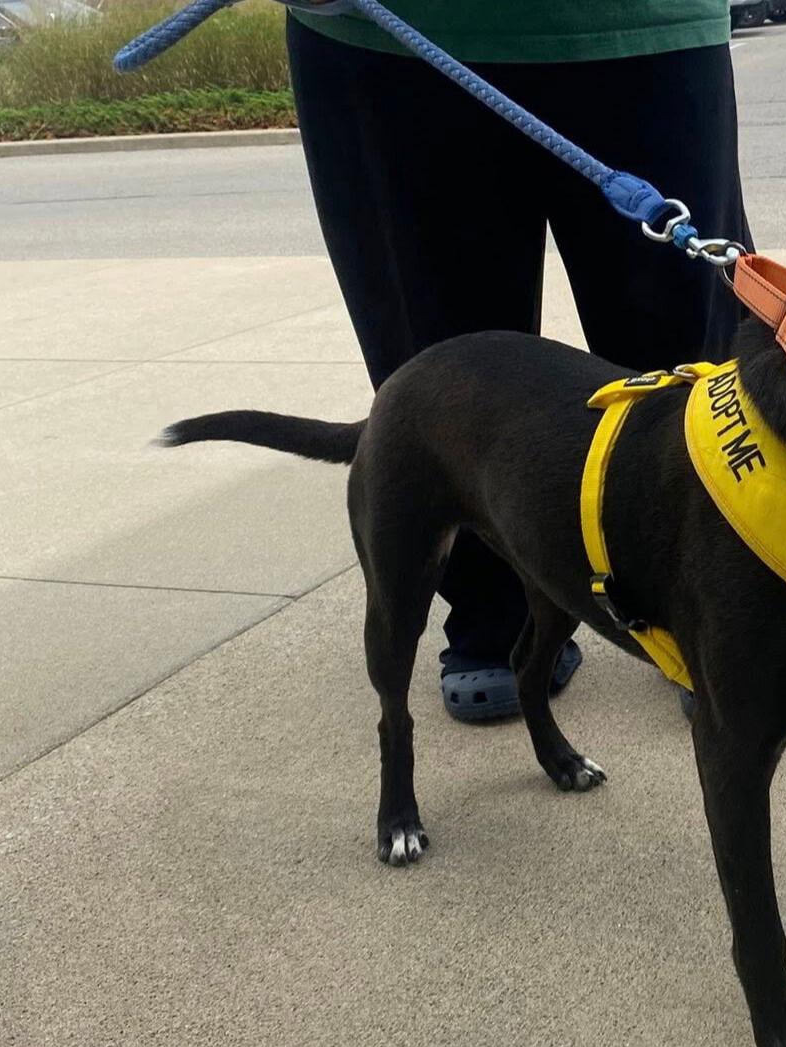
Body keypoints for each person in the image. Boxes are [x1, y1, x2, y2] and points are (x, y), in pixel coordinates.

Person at [285, 0, 751, 720]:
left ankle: (700, 611)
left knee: (684, 368)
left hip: (640, 24)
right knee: (442, 374)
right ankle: (494, 610)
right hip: (384, 33)